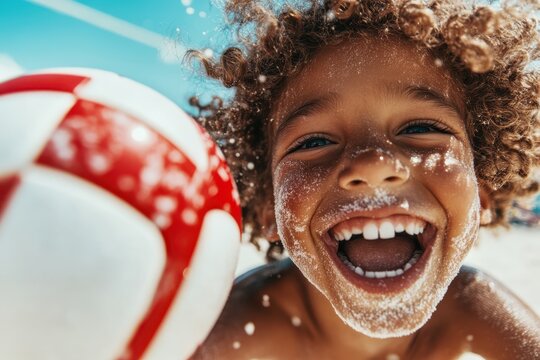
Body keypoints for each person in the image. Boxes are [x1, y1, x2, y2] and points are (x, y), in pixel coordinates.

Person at [187, 0, 540, 358]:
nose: (372, 165)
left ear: (481, 190)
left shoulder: (473, 308)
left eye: (421, 128)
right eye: (314, 142)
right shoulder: (237, 329)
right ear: (268, 207)